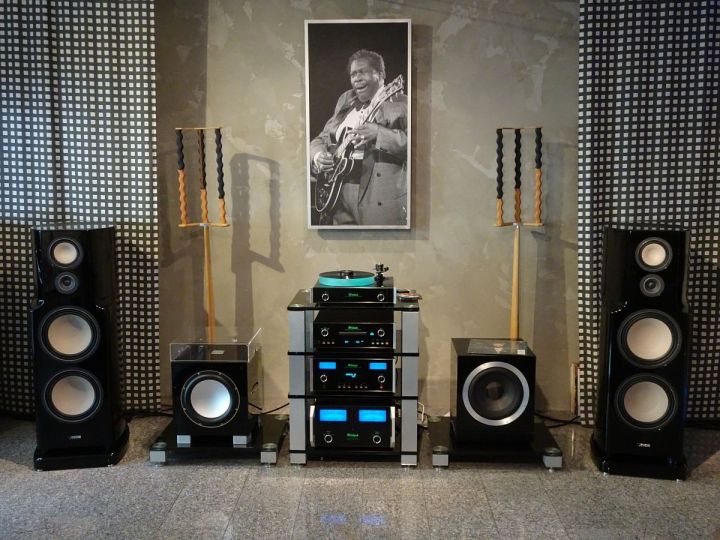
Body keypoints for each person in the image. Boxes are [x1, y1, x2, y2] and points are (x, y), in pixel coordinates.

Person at [310, 49, 408, 226]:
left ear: (381, 74)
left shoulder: (402, 103)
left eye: (362, 72)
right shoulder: (345, 101)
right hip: (338, 197)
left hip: (378, 198)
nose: (356, 78)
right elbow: (321, 139)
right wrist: (318, 156)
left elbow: (418, 147)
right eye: (353, 74)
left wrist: (378, 133)